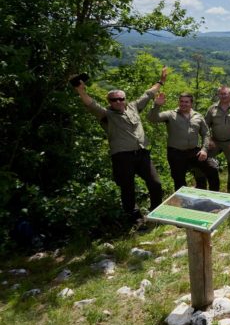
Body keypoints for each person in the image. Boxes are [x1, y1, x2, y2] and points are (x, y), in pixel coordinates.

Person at [73, 68, 167, 225]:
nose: (118, 101)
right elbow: (90, 104)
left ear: (125, 98)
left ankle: (156, 213)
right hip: (122, 157)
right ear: (109, 102)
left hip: (142, 153)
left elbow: (149, 93)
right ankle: (135, 219)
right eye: (113, 100)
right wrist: (81, 91)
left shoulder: (134, 107)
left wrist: (161, 80)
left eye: (120, 98)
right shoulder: (106, 115)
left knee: (155, 183)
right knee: (128, 188)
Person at [148, 92, 220, 192]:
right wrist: (156, 105)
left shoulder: (198, 116)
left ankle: (215, 195)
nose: (183, 104)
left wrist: (204, 149)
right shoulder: (170, 114)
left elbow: (206, 133)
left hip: (194, 152)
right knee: (179, 180)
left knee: (212, 170)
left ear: (191, 103)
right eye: (181, 101)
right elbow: (153, 118)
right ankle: (183, 204)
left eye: (186, 102)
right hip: (176, 153)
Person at [204, 86, 230, 192]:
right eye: (221, 94)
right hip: (215, 142)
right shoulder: (212, 109)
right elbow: (205, 126)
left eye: (225, 94)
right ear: (218, 95)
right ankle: (211, 187)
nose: (223, 96)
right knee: (204, 160)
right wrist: (209, 140)